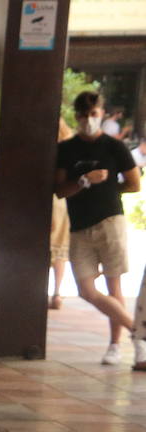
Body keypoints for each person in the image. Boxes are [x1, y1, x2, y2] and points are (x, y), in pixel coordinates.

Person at [55, 90, 142, 366]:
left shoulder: (114, 147)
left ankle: (116, 345)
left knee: (113, 283)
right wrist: (85, 181)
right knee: (85, 289)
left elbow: (134, 183)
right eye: (82, 115)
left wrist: (109, 187)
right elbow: (59, 190)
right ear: (76, 116)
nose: (88, 120)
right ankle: (137, 331)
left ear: (101, 113)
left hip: (109, 220)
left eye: (93, 114)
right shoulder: (66, 149)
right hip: (80, 224)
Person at [49, 121, 75, 310]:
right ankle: (57, 293)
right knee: (59, 250)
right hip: (63, 201)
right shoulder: (69, 148)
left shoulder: (42, 148)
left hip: (43, 199)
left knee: (42, 248)